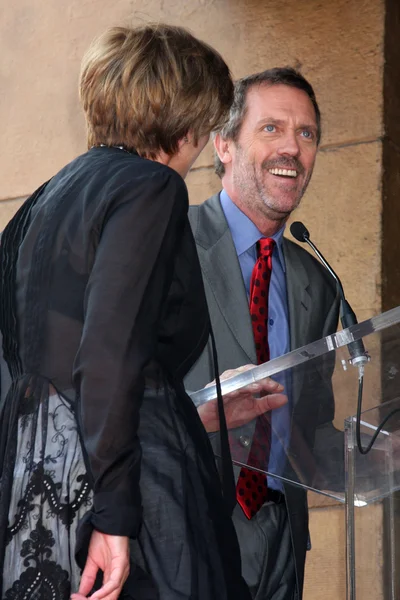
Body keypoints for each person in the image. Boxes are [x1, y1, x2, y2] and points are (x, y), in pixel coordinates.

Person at [0, 24, 267, 600]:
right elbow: (108, 352)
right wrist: (115, 517)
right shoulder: (150, 186)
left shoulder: (42, 202)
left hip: (36, 480)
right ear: (187, 117)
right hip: (131, 487)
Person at [185, 68, 341, 600]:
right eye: (271, 128)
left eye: (307, 133)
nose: (293, 149)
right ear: (223, 144)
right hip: (184, 530)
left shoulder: (317, 283)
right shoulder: (169, 241)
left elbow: (311, 428)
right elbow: (106, 393)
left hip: (282, 542)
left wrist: (375, 453)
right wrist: (198, 410)